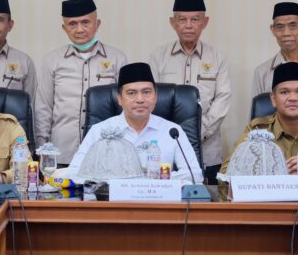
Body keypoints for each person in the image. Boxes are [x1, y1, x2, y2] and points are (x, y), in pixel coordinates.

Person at [69, 63, 204, 183]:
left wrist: (155, 177)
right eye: (131, 93)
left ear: (156, 96)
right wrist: (116, 181)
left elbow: (195, 175)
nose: (140, 99)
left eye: (146, 92)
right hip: (113, 200)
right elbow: (74, 173)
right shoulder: (100, 130)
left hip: (159, 199)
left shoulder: (173, 131)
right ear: (120, 99)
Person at [35, 0, 127, 165]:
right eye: (72, 24)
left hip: (105, 153)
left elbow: (125, 107)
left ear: (97, 24)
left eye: (85, 22)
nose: (79, 29)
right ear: (64, 28)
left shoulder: (117, 59)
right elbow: (43, 108)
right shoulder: (52, 60)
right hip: (62, 153)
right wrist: (42, 149)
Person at [149, 0, 230, 184]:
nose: (188, 25)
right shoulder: (158, 57)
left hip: (207, 149)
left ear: (204, 22)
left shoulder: (217, 57)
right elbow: (151, 98)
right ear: (173, 23)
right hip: (165, 148)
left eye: (195, 19)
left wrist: (198, 130)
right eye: (182, 19)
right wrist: (172, 132)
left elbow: (223, 98)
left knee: (206, 197)